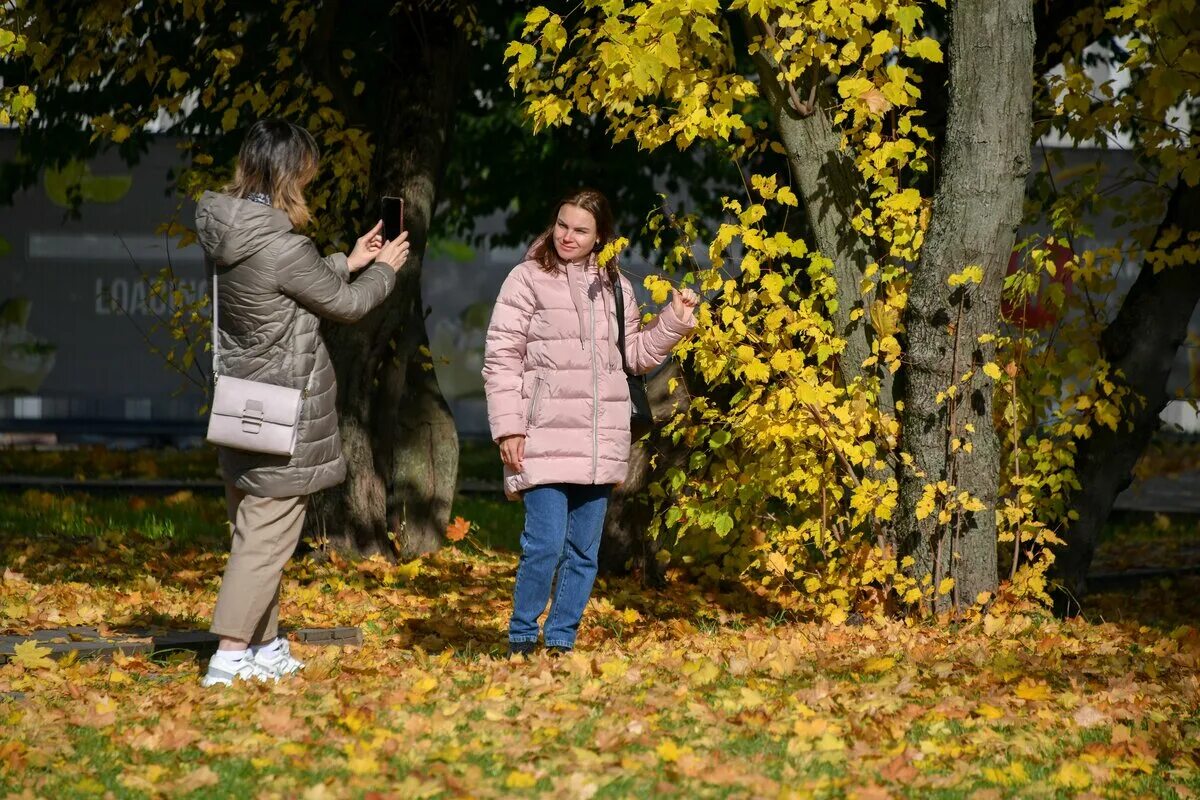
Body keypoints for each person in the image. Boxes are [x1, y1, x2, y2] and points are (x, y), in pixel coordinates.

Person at [194, 118, 410, 686]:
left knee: (253, 525)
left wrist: (349, 259)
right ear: (292, 176)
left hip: (243, 398)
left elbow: (288, 287)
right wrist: (383, 272)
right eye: (307, 175)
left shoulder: (229, 231)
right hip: (284, 408)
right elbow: (343, 305)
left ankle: (264, 646)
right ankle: (230, 654)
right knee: (266, 538)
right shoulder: (282, 245)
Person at [482, 188, 698, 656]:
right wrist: (509, 428)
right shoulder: (525, 279)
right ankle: (521, 637)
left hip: (599, 439)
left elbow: (636, 357)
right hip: (541, 433)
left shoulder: (615, 286)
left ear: (601, 236)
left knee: (583, 551)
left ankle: (561, 640)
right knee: (543, 543)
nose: (567, 236)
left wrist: (674, 321)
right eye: (562, 225)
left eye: (580, 230)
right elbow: (500, 359)